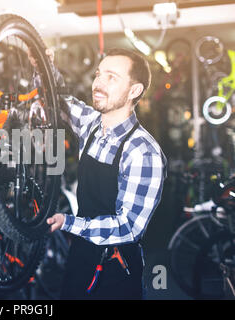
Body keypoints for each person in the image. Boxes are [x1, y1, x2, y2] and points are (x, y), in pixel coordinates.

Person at [45, 48, 168, 299]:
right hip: (81, 251)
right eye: (99, 75)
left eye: (112, 77)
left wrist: (69, 222)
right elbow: (57, 98)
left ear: (135, 91)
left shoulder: (143, 152)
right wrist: (42, 65)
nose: (98, 83)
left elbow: (129, 227)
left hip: (116, 265)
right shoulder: (90, 124)